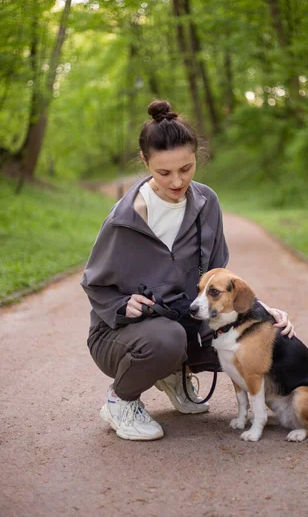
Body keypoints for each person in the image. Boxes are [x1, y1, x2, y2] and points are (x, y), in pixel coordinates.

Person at [81, 99, 295, 441]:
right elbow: (95, 284)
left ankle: (173, 375)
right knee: (167, 339)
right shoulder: (125, 220)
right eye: (164, 172)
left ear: (198, 158)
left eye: (187, 168)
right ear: (145, 162)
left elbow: (217, 277)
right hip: (122, 335)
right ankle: (120, 401)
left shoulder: (207, 203)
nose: (177, 181)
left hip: (189, 320)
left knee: (269, 336)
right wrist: (123, 305)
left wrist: (260, 310)